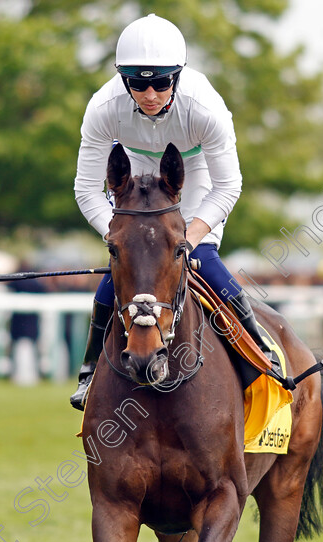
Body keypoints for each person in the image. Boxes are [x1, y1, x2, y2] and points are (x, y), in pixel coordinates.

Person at [70, 14, 282, 410]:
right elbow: (86, 190)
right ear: (123, 79)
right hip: (133, 173)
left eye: (161, 82)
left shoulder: (205, 109)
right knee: (120, 271)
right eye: (137, 83)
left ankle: (258, 352)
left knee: (202, 259)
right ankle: (89, 370)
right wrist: (121, 240)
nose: (150, 94)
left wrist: (188, 238)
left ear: (178, 76)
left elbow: (228, 185)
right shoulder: (102, 107)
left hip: (196, 173)